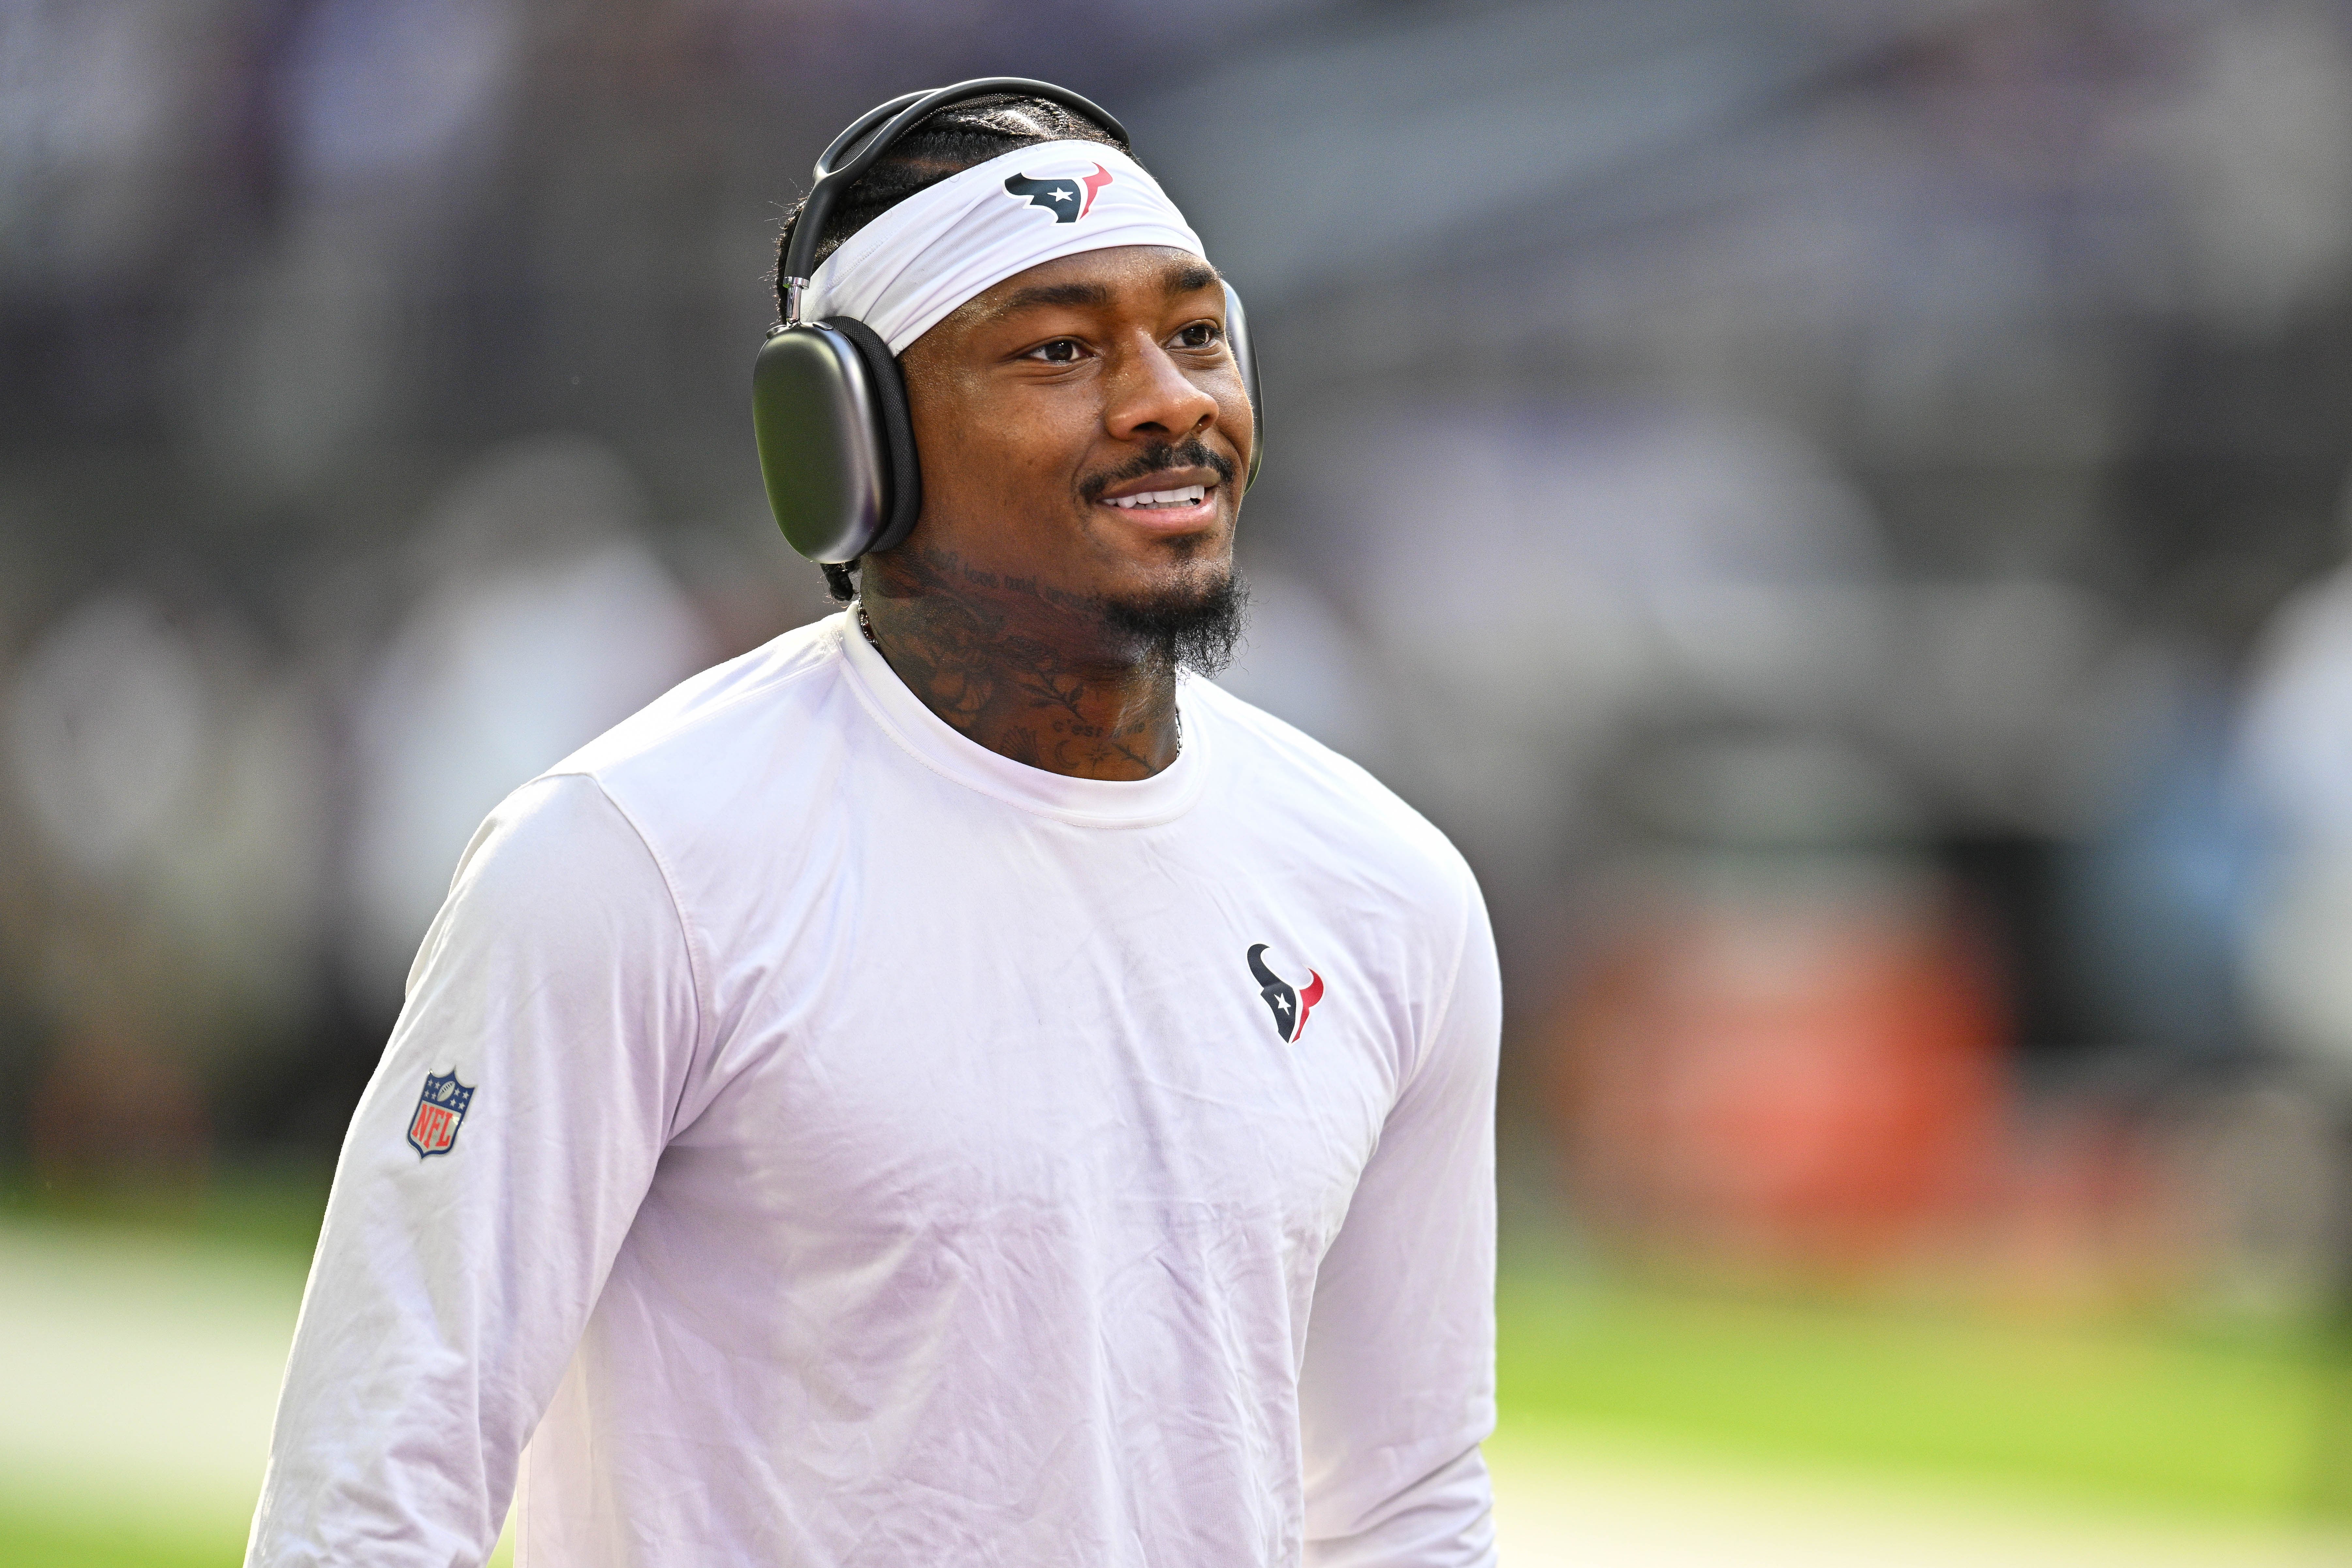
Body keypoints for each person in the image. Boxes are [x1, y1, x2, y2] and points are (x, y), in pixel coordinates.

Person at [248, 87, 1500, 1568]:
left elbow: (1404, 1506)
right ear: (851, 440)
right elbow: (374, 1491)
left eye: (1196, 334)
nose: (1168, 398)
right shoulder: (627, 863)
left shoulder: (1386, 892)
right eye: (1058, 350)